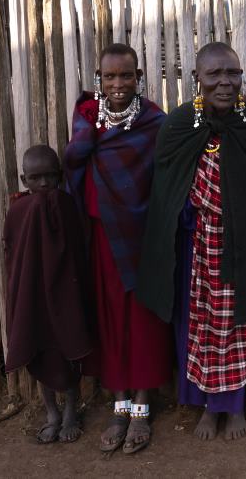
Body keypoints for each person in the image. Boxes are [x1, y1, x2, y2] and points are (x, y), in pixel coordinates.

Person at [138, 41, 246, 442]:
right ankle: (207, 404)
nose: (224, 82)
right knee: (201, 328)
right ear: (196, 79)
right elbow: (168, 191)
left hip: (245, 246)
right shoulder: (179, 126)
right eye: (214, 74)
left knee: (239, 328)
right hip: (196, 248)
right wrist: (192, 215)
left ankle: (234, 405)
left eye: (232, 74)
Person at [63, 43, 171, 454]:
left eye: (126, 75)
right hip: (103, 235)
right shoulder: (87, 117)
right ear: (99, 80)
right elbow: (73, 162)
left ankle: (143, 403)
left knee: (142, 316)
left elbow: (163, 176)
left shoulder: (154, 121)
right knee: (110, 317)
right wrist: (88, 140)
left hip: (142, 236)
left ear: (138, 77)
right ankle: (119, 400)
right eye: (110, 77)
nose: (118, 84)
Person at [4, 145, 93, 444]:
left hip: (64, 293)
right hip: (33, 296)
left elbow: (77, 249)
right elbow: (12, 255)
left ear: (60, 176)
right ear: (23, 179)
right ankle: (51, 412)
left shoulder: (65, 205)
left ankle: (70, 410)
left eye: (50, 177)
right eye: (36, 178)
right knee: (38, 349)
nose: (44, 184)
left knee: (66, 349)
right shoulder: (17, 210)